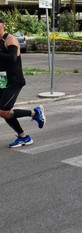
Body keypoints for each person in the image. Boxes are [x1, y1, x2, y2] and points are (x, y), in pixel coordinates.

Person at [0, 19, 45, 148]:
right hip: (3, 81)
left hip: (14, 81)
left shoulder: (9, 39)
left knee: (3, 111)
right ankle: (23, 137)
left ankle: (36, 113)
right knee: (4, 112)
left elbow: (12, 58)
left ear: (2, 25)